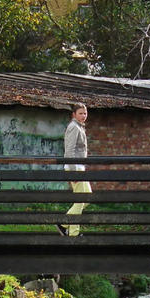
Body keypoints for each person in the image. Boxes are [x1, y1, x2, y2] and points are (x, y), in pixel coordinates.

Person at [60, 102, 91, 237]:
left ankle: (63, 224)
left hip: (79, 167)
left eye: (85, 113)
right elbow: (69, 151)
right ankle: (73, 233)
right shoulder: (73, 127)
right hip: (75, 168)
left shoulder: (79, 127)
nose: (83, 116)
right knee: (81, 200)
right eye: (80, 113)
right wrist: (73, 172)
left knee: (87, 197)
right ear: (74, 114)